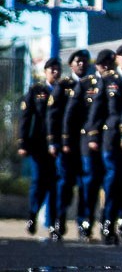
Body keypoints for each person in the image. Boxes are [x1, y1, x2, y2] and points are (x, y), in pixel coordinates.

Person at [92, 42, 122, 245]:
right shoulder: (108, 80)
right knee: (112, 183)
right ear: (117, 59)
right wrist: (93, 136)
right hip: (111, 139)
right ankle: (107, 224)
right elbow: (97, 110)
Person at [66, 49, 111, 241]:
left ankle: (107, 225)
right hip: (87, 143)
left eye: (109, 64)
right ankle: (85, 223)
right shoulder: (86, 84)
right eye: (102, 64)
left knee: (109, 184)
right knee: (89, 184)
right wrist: (68, 141)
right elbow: (71, 115)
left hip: (109, 142)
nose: (106, 67)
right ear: (97, 66)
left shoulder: (116, 83)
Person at [48, 49, 88, 240]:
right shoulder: (63, 86)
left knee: (85, 186)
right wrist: (55, 142)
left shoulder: (92, 84)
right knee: (65, 185)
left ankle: (83, 224)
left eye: (84, 61)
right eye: (78, 61)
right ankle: (59, 221)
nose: (81, 64)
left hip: (86, 145)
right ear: (71, 65)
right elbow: (54, 116)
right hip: (67, 145)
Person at [20, 57, 61, 241]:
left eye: (57, 69)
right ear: (45, 72)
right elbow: (26, 118)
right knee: (38, 182)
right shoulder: (36, 90)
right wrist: (23, 143)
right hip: (39, 146)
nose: (54, 72)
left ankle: (53, 223)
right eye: (51, 69)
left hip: (58, 146)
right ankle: (33, 214)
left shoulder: (63, 90)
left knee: (54, 186)